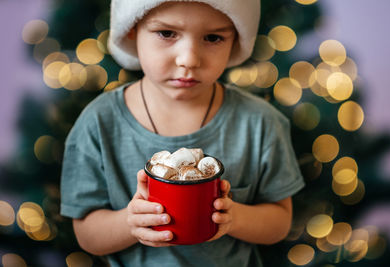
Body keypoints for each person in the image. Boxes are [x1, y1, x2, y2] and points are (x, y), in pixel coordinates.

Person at [60, 0, 305, 266]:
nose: (189, 59)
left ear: (236, 39)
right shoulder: (99, 123)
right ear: (132, 29)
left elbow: (279, 222)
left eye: (213, 37)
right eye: (166, 33)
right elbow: (86, 234)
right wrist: (129, 223)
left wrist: (235, 217)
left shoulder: (261, 122)